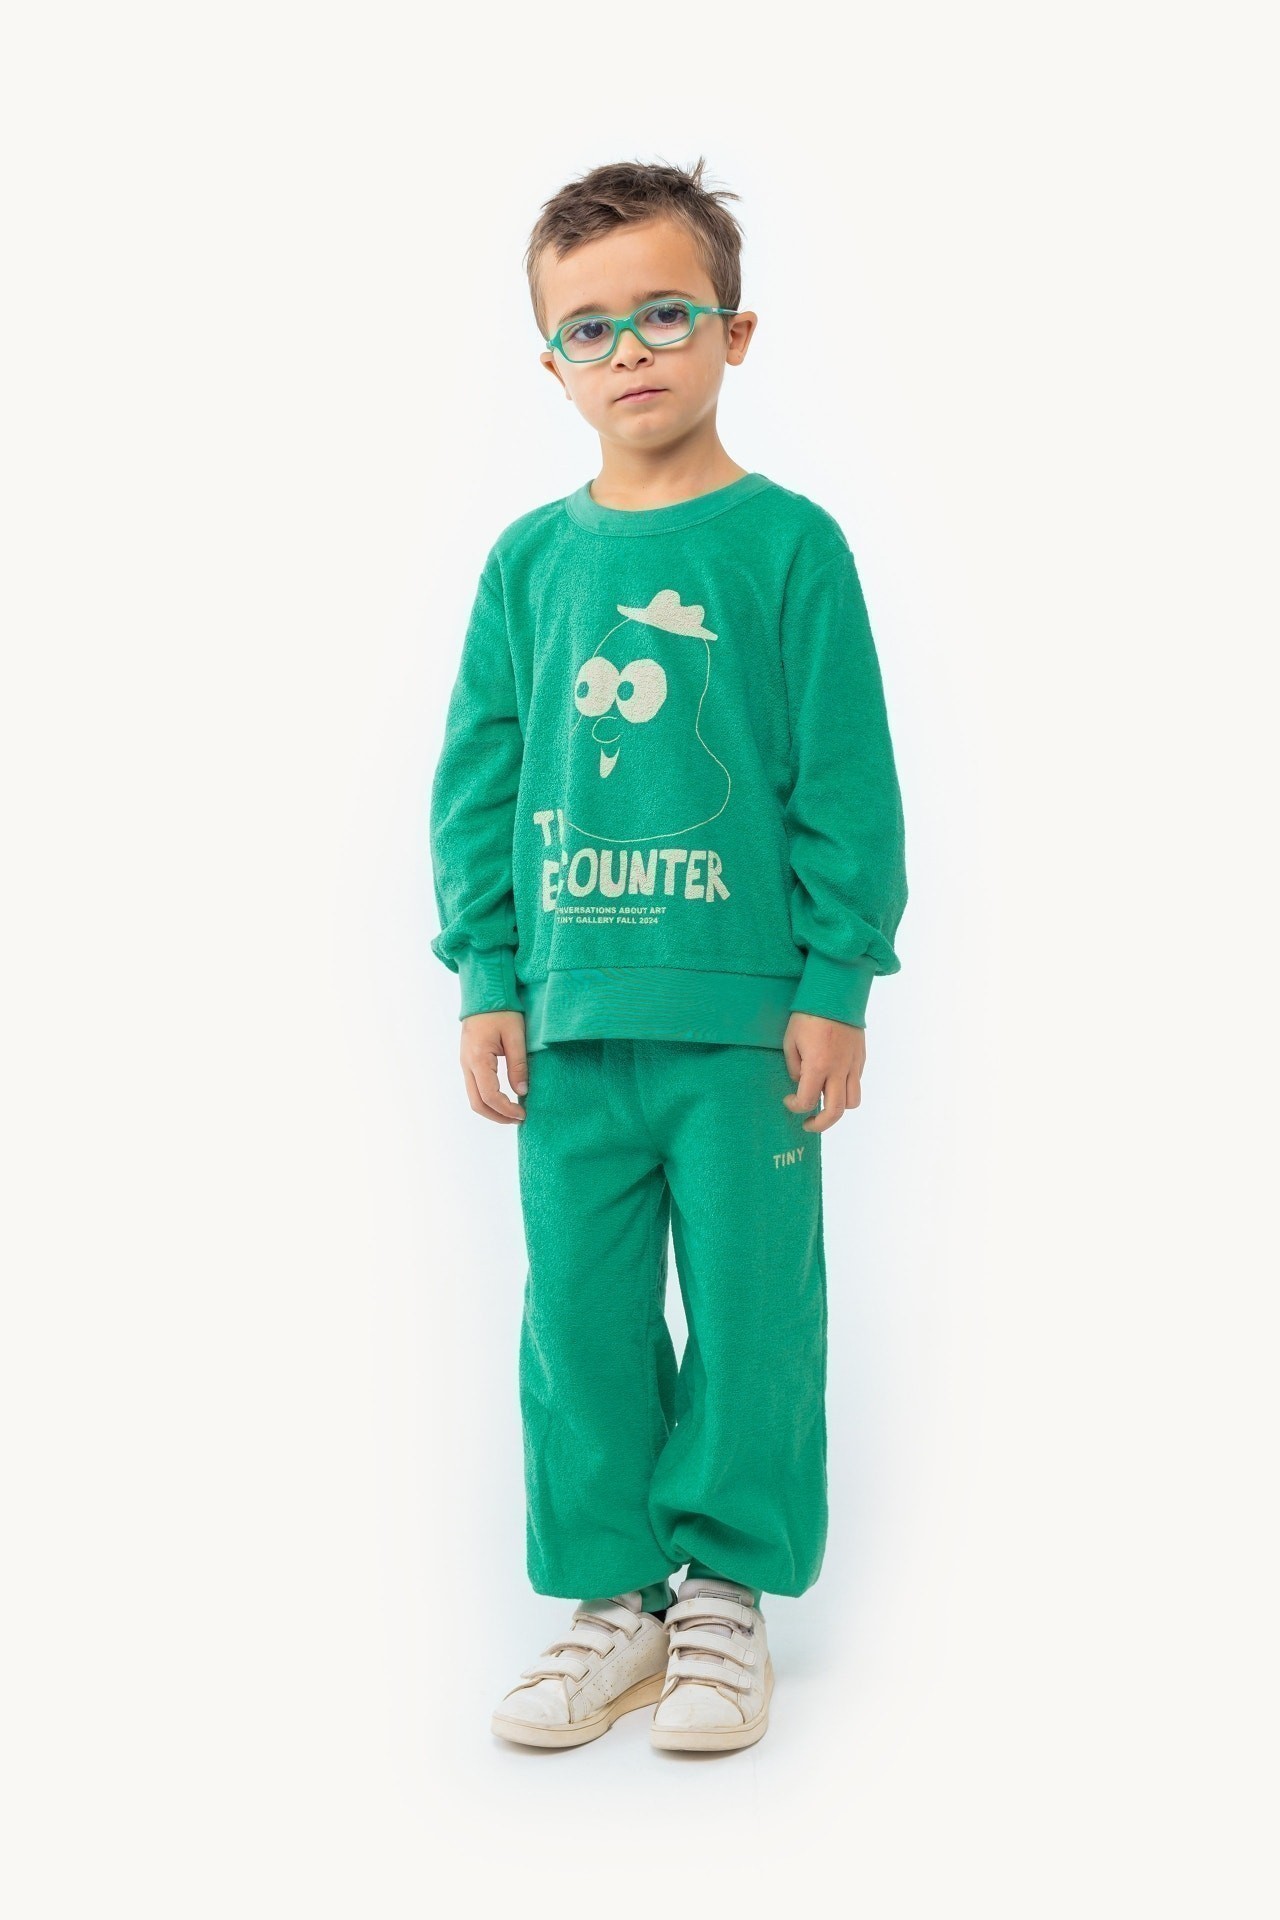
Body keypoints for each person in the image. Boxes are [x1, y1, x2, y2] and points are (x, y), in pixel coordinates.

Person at [428, 156, 909, 1753]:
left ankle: (726, 1597)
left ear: (733, 333)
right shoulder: (529, 564)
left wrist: (835, 982)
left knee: (757, 1318)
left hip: (742, 1026)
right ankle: (613, 1600)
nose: (628, 349)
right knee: (577, 1323)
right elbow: (481, 777)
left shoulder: (790, 548)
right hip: (570, 1024)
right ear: (549, 362)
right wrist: (487, 975)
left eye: (664, 314)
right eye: (590, 327)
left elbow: (844, 782)